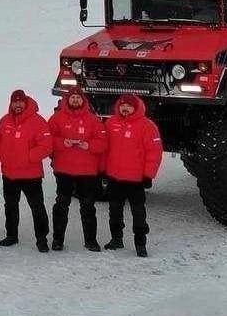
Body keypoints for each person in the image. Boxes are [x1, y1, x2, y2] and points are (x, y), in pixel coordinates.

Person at [104, 93, 163, 257]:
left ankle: (140, 243)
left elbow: (154, 152)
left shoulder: (147, 126)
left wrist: (148, 175)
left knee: (138, 213)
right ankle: (116, 239)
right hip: (115, 177)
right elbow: (104, 149)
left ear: (136, 108)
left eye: (129, 106)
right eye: (122, 105)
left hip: (136, 179)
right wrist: (103, 170)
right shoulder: (111, 123)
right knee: (114, 211)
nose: (125, 108)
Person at [48, 86, 106, 252]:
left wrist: (89, 145)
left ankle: (91, 240)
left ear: (83, 100)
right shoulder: (57, 118)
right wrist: (61, 143)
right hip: (64, 170)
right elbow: (47, 139)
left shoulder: (93, 120)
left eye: (78, 98)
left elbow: (103, 143)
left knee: (88, 206)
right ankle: (57, 240)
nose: (75, 100)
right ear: (67, 100)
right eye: (72, 97)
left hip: (87, 171)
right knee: (61, 204)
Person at [0, 89, 53, 252]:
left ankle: (42, 239)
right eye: (15, 101)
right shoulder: (4, 121)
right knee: (10, 206)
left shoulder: (38, 121)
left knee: (37, 207)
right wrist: (4, 157)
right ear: (11, 103)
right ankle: (11, 235)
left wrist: (28, 157)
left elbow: (46, 145)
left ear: (26, 102)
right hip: (9, 174)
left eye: (21, 101)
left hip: (31, 174)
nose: (18, 104)